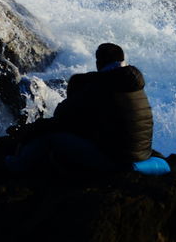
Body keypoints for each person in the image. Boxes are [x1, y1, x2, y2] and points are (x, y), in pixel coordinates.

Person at [8, 42, 154, 174]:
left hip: (116, 162)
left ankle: (17, 166)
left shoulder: (98, 87)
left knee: (49, 139)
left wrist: (28, 131)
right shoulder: (133, 83)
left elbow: (61, 119)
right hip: (142, 155)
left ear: (99, 63)